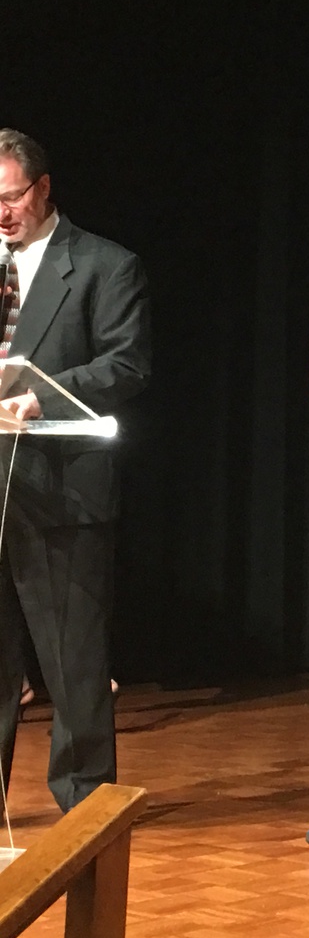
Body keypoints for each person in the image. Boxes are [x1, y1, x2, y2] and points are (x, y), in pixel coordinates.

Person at [0, 128, 151, 812]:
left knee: (74, 662)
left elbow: (126, 364)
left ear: (43, 188)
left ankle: (85, 810)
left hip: (60, 488)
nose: (3, 214)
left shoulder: (103, 265)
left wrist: (44, 394)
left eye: (11, 198)